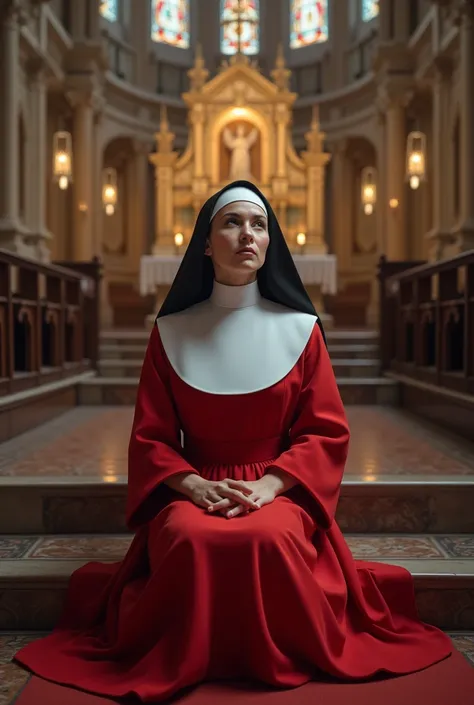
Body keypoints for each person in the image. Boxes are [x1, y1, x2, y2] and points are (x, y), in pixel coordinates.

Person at [15, 181, 452, 702]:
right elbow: (151, 435)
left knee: (265, 537)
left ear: (270, 243)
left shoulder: (301, 329)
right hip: (191, 486)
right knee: (191, 537)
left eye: (259, 225)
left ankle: (265, 655)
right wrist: (194, 486)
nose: (248, 235)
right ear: (205, 241)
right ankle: (191, 655)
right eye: (232, 222)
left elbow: (325, 430)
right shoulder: (171, 331)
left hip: (279, 487)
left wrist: (271, 485)